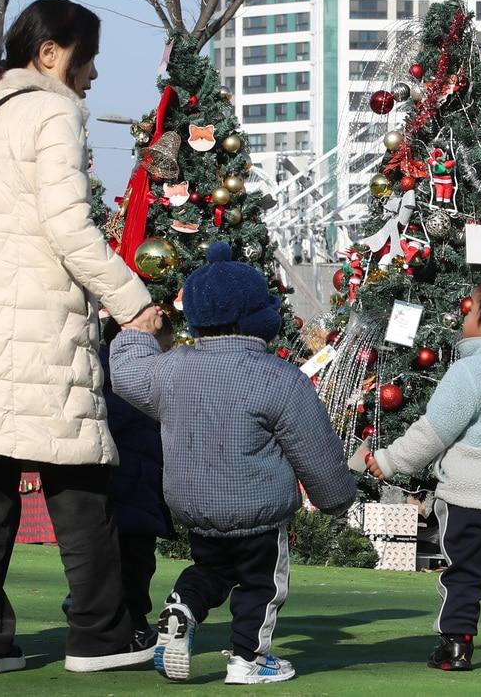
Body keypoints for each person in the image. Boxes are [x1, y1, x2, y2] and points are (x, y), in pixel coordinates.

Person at [0, 0, 164, 676]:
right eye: (87, 57)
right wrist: (132, 301)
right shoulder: (54, 113)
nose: (93, 72)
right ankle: (97, 635)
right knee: (80, 483)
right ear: (52, 52)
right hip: (42, 333)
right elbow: (70, 230)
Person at [111, 242, 356, 686]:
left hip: (195, 507)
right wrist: (336, 497)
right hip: (257, 510)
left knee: (210, 570)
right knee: (261, 585)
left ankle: (182, 607)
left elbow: (127, 373)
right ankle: (248, 658)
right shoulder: (278, 378)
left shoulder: (172, 370)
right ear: (258, 314)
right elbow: (314, 448)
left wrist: (135, 330)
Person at [364, 273, 481, 672]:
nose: (462, 315)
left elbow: (432, 433)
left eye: (471, 309)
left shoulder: (468, 374)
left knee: (465, 572)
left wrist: (390, 461)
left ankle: (456, 643)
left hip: (469, 497)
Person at [100, 318, 176, 636]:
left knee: (105, 552)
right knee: (134, 558)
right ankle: (131, 618)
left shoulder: (95, 365)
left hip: (108, 478)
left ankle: (95, 605)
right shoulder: (138, 374)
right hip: (135, 480)